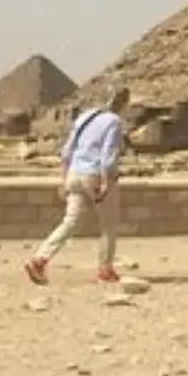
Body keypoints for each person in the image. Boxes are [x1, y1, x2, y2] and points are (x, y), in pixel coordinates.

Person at [24, 86, 130, 285]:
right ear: (122, 102)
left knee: (71, 222)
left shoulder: (84, 118)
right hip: (95, 176)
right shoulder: (113, 121)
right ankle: (105, 270)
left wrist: (63, 180)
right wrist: (106, 183)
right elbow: (108, 156)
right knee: (108, 224)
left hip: (75, 174)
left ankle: (39, 259)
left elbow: (67, 151)